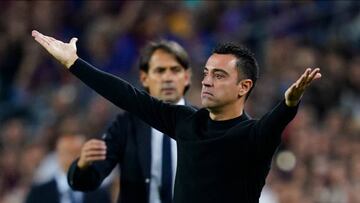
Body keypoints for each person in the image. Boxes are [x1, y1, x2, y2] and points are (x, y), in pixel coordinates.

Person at [31, 30, 321, 203]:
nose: (207, 82)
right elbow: (130, 97)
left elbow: (273, 124)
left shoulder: (252, 136)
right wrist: (74, 63)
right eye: (206, 74)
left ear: (244, 87)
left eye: (219, 76)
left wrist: (289, 103)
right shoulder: (187, 121)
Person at [67, 40, 192, 203]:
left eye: (175, 70)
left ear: (187, 77)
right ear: (144, 78)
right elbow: (89, 181)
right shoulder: (125, 125)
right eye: (160, 71)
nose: (168, 78)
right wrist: (83, 165)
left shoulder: (201, 123)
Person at [25, 133, 111, 203]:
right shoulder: (38, 193)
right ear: (58, 155)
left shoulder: (99, 194)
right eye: (67, 152)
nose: (72, 157)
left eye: (77, 152)